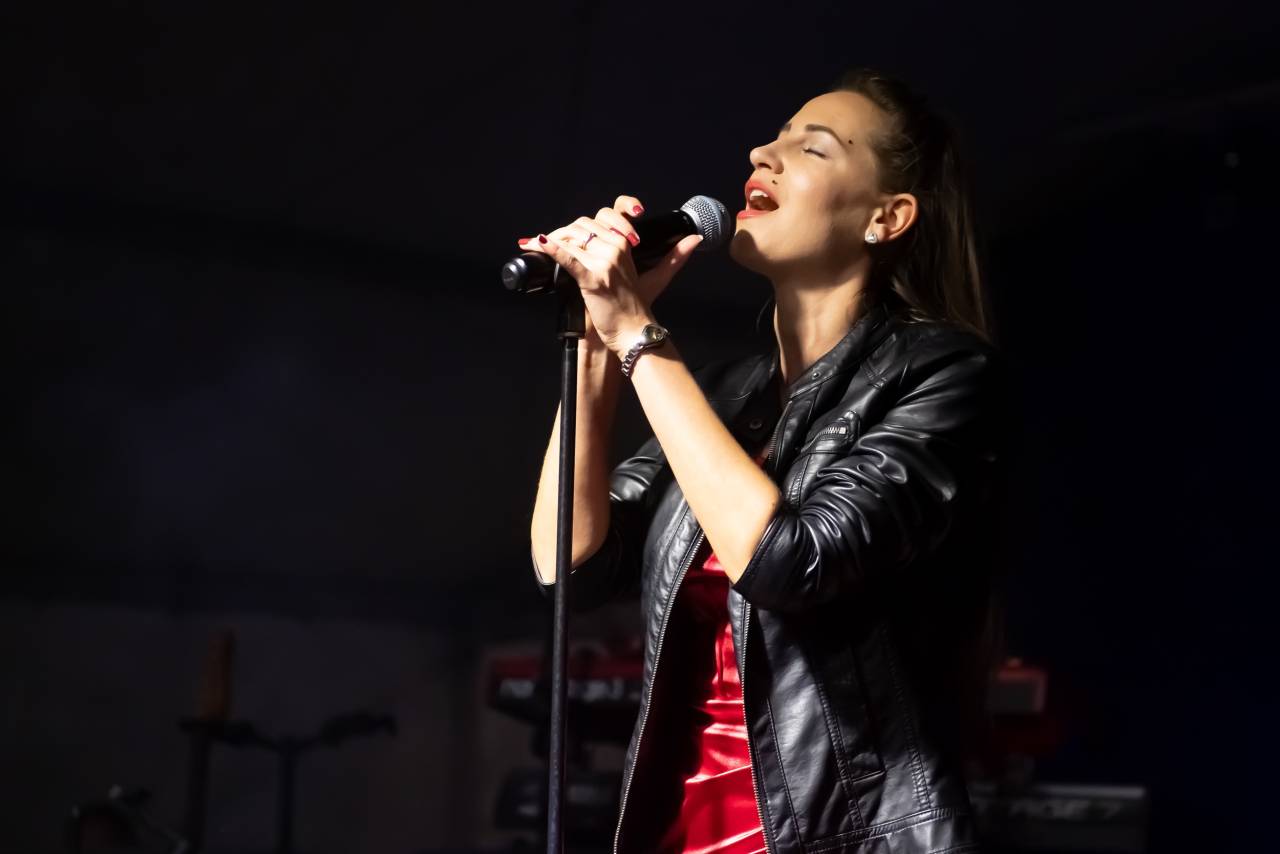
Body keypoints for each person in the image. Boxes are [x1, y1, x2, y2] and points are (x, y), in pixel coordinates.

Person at [527, 67, 1008, 854]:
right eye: (773, 139)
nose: (762, 155)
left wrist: (639, 334)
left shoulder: (944, 376)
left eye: (811, 148)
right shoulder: (723, 398)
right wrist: (596, 341)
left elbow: (792, 561)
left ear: (887, 217)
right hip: (679, 834)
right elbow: (569, 565)